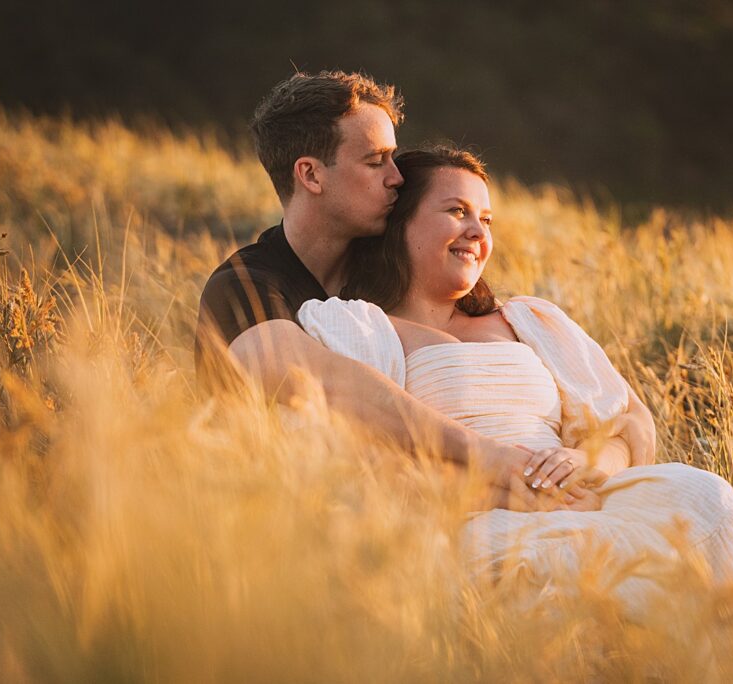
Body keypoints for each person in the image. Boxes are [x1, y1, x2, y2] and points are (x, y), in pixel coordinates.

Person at [295, 146, 733, 618]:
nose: (476, 231)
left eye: (486, 219)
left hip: (582, 498)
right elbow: (359, 463)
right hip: (475, 515)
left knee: (705, 496)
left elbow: (632, 421)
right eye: (457, 211)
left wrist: (589, 464)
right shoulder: (365, 327)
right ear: (401, 224)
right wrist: (507, 493)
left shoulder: (528, 320)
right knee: (550, 561)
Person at [195, 71, 535, 506]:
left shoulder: (393, 269)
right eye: (376, 161)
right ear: (311, 175)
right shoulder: (244, 286)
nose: (397, 177)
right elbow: (323, 384)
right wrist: (490, 457)